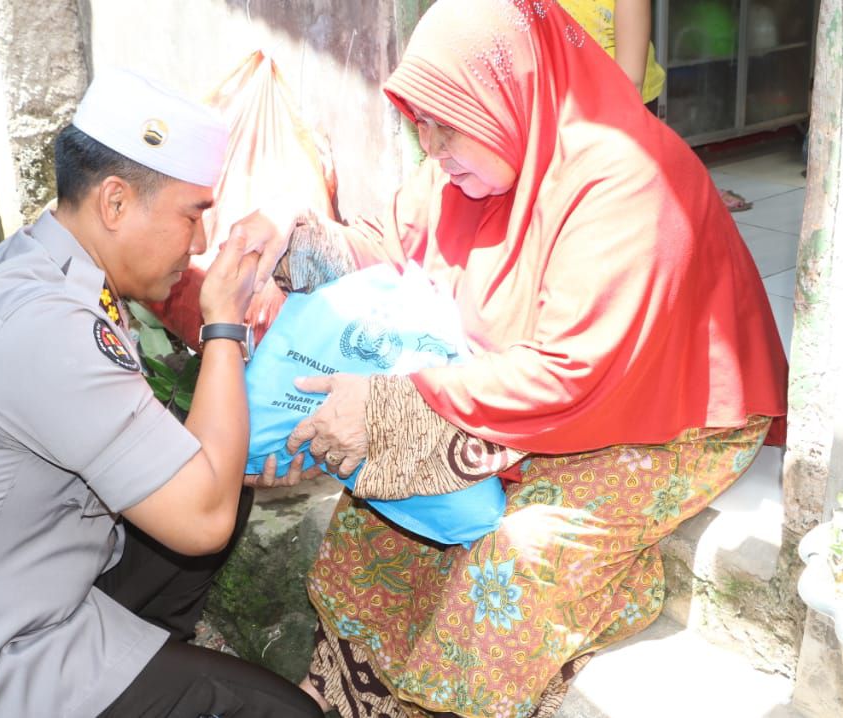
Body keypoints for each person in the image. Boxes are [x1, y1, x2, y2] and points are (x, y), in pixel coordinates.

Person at [247, 1, 788, 715]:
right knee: (380, 519)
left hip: (661, 416)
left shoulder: (625, 178)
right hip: (519, 389)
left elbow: (570, 373)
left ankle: (596, 596)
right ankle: (344, 702)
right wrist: (294, 247)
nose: (432, 146)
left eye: (447, 124)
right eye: (422, 123)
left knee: (513, 560)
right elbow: (391, 243)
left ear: (505, 93)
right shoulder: (472, 165)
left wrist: (391, 409)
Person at [0, 69, 323, 717]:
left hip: (30, 584)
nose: (200, 243)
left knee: (221, 472)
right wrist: (222, 323)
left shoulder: (48, 259)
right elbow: (200, 524)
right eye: (193, 215)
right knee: (285, 712)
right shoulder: (49, 325)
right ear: (115, 203)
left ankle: (152, 668)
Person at [558, 0, 753, 212]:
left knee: (628, 191)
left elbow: (631, 81)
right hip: (561, 98)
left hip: (619, 101)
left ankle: (688, 190)